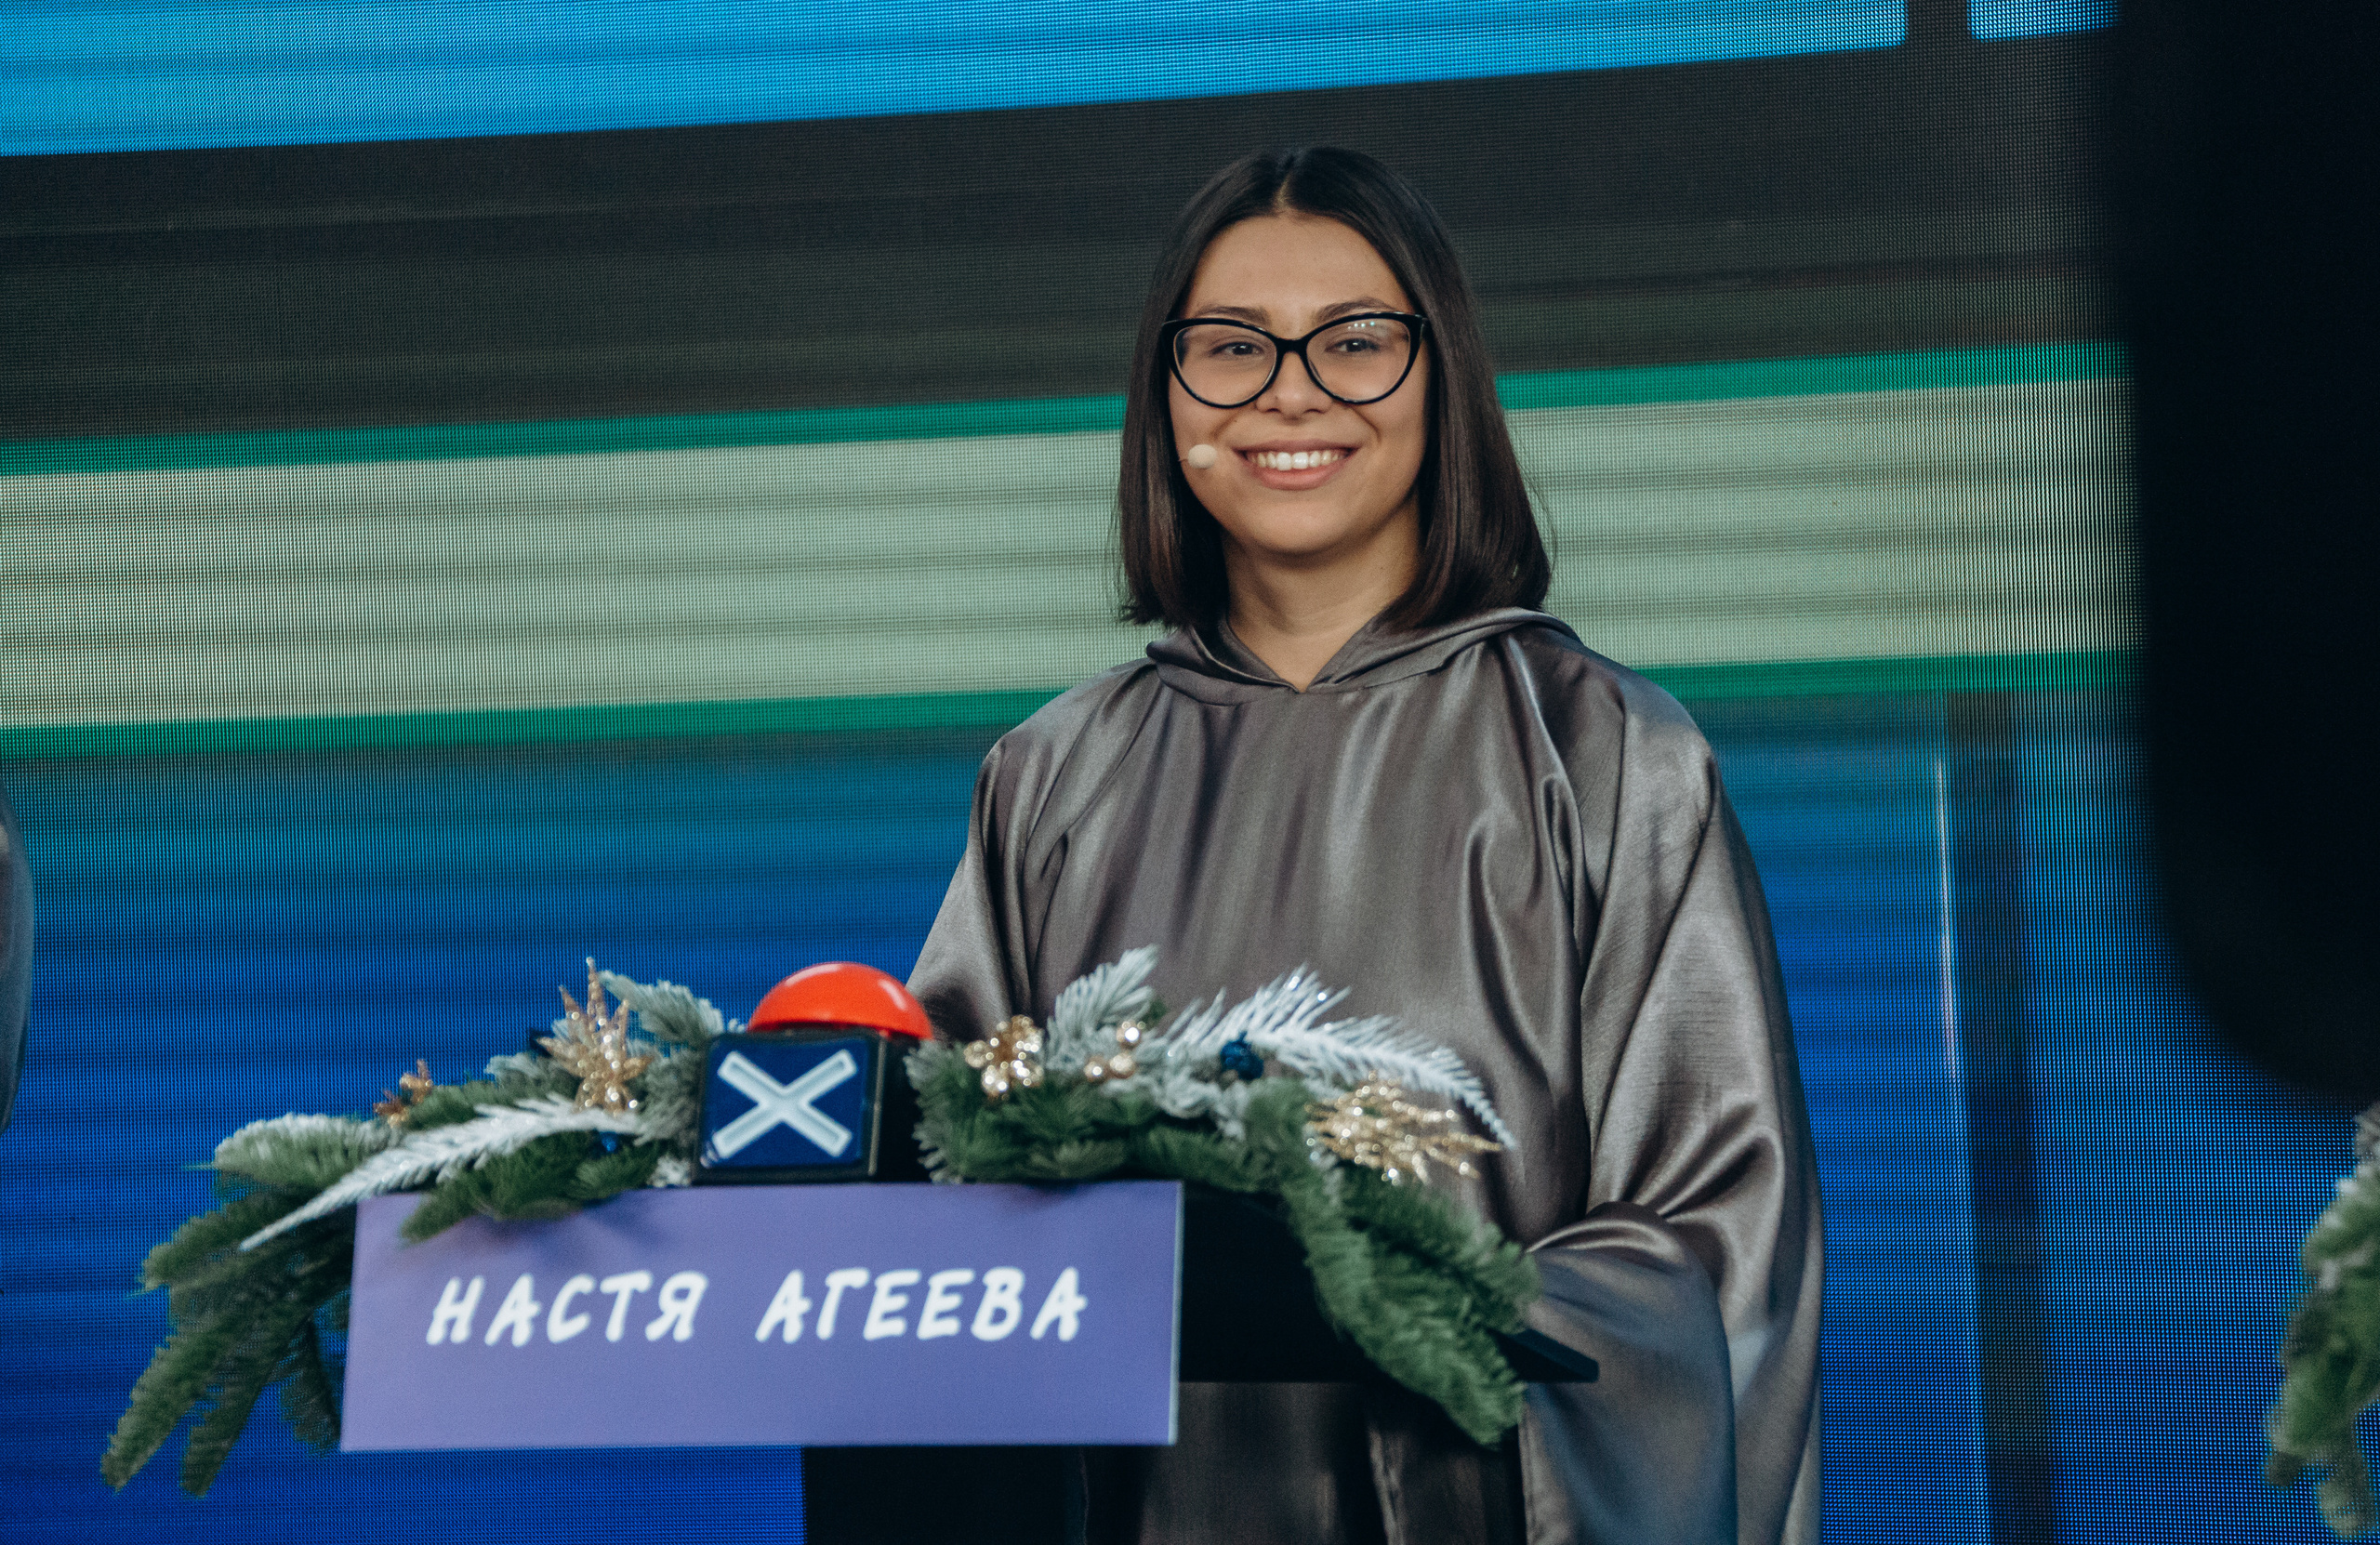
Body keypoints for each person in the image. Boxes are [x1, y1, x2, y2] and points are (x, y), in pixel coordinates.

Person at [908, 146, 1820, 1545]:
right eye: (1231, 347)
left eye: (1355, 342)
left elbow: (1713, 1248)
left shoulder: (1611, 757)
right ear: (1166, 397)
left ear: (1440, 375)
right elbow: (939, 1201)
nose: (1291, 390)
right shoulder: (1048, 779)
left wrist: (1392, 1303)